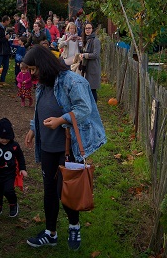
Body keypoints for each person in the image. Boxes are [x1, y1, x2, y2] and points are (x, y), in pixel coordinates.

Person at [23, 45, 106, 251]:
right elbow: (40, 109)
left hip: (68, 147)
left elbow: (84, 109)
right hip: (48, 146)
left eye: (34, 69)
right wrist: (34, 129)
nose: (33, 74)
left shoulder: (72, 81)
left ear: (43, 65)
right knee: (49, 191)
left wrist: (62, 120)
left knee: (66, 190)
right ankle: (51, 233)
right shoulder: (43, 83)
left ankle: (74, 226)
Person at [79, 21, 101, 102]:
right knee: (88, 90)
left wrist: (85, 55)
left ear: (92, 29)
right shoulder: (87, 40)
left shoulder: (95, 40)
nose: (87, 30)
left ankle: (94, 109)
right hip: (87, 68)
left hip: (93, 68)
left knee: (92, 90)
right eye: (86, 28)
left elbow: (96, 55)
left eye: (89, 28)